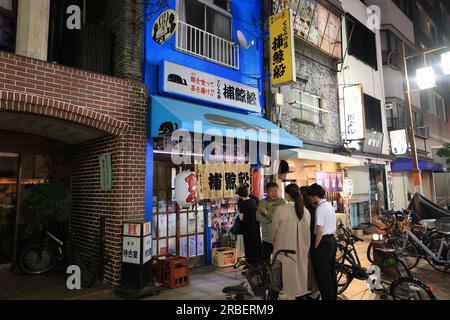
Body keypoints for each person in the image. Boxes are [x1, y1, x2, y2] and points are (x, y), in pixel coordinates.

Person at [272, 183, 311, 299]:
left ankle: (273, 296)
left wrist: (275, 244)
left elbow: (274, 231)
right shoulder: (305, 212)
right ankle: (300, 295)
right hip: (301, 252)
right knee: (300, 278)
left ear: (288, 195)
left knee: (276, 281)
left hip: (282, 251)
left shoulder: (280, 210)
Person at [308, 183, 337, 300]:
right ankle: (333, 296)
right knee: (331, 273)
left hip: (323, 242)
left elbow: (319, 230)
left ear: (314, 196)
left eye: (310, 196)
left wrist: (315, 247)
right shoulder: (329, 206)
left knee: (323, 276)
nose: (309, 199)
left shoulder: (320, 208)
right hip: (332, 240)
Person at [256, 182, 286, 264]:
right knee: (264, 260)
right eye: (271, 191)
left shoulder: (282, 202)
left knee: (279, 260)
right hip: (266, 237)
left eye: (275, 191)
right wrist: (271, 219)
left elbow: (278, 218)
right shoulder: (262, 202)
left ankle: (276, 276)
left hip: (278, 237)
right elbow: (258, 217)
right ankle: (265, 276)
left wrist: (265, 212)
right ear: (267, 192)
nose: (274, 193)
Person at [300, 186, 320, 300]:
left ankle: (314, 292)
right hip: (310, 242)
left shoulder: (309, 210)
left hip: (311, 243)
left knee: (312, 268)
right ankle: (312, 291)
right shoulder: (311, 209)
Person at [236, 186, 261, 266]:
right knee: (256, 243)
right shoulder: (253, 200)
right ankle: (258, 263)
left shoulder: (243, 204)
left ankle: (250, 264)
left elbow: (241, 218)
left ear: (239, 194)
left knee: (249, 246)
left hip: (247, 227)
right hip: (256, 226)